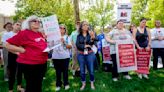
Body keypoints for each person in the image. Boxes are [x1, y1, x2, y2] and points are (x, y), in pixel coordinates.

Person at [5, 15, 48, 92]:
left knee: (38, 85)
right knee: (31, 86)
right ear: (29, 23)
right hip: (30, 64)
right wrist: (21, 50)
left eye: (38, 21)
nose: (37, 22)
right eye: (34, 21)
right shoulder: (24, 33)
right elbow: (7, 44)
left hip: (41, 63)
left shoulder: (40, 34)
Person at [2, 22, 24, 92]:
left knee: (20, 72)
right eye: (17, 24)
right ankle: (10, 89)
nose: (19, 26)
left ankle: (19, 87)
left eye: (20, 25)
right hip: (12, 55)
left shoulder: (22, 34)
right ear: (13, 26)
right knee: (12, 72)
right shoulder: (7, 34)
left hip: (21, 55)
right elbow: (5, 45)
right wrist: (16, 52)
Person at [76, 21, 96, 90]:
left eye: (87, 25)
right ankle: (83, 83)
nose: (86, 26)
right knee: (82, 71)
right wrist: (84, 46)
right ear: (81, 27)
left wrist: (93, 37)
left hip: (90, 54)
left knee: (91, 70)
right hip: (81, 54)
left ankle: (92, 83)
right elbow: (77, 45)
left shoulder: (90, 34)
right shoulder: (78, 36)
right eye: (84, 25)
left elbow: (92, 43)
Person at [52, 24, 72, 91]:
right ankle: (58, 85)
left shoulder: (67, 37)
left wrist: (64, 42)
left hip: (65, 57)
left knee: (65, 72)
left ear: (65, 30)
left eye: (64, 28)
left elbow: (70, 46)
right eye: (60, 28)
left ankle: (66, 84)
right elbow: (50, 46)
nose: (62, 29)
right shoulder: (53, 37)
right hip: (56, 57)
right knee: (58, 72)